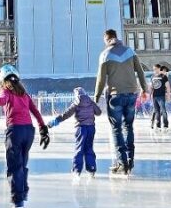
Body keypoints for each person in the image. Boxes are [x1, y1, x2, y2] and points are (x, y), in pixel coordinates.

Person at [0, 65, 49, 208]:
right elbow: (35, 111)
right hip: (28, 131)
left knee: (14, 167)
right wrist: (43, 128)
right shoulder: (24, 93)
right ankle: (22, 197)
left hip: (15, 131)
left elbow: (1, 100)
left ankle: (17, 204)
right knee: (22, 165)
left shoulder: (6, 91)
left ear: (3, 81)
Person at [93, 29, 148, 175]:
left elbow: (101, 79)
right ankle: (130, 160)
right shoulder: (130, 51)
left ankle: (122, 163)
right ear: (116, 38)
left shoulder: (105, 54)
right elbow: (140, 71)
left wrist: (96, 96)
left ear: (106, 39)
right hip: (131, 94)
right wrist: (144, 88)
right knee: (128, 126)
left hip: (115, 95)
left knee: (116, 129)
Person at [50, 86, 102, 179]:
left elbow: (66, 114)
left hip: (81, 128)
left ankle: (77, 170)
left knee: (79, 149)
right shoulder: (90, 101)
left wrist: (55, 121)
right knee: (89, 148)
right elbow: (99, 112)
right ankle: (92, 169)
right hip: (91, 128)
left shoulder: (76, 103)